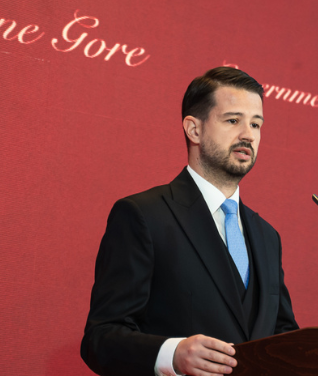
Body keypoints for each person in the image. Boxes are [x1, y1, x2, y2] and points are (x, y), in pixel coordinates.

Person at [81, 67, 299, 376]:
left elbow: (284, 337)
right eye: (233, 121)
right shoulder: (144, 215)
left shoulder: (267, 236)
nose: (248, 135)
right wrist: (173, 354)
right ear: (194, 130)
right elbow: (100, 339)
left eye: (256, 124)